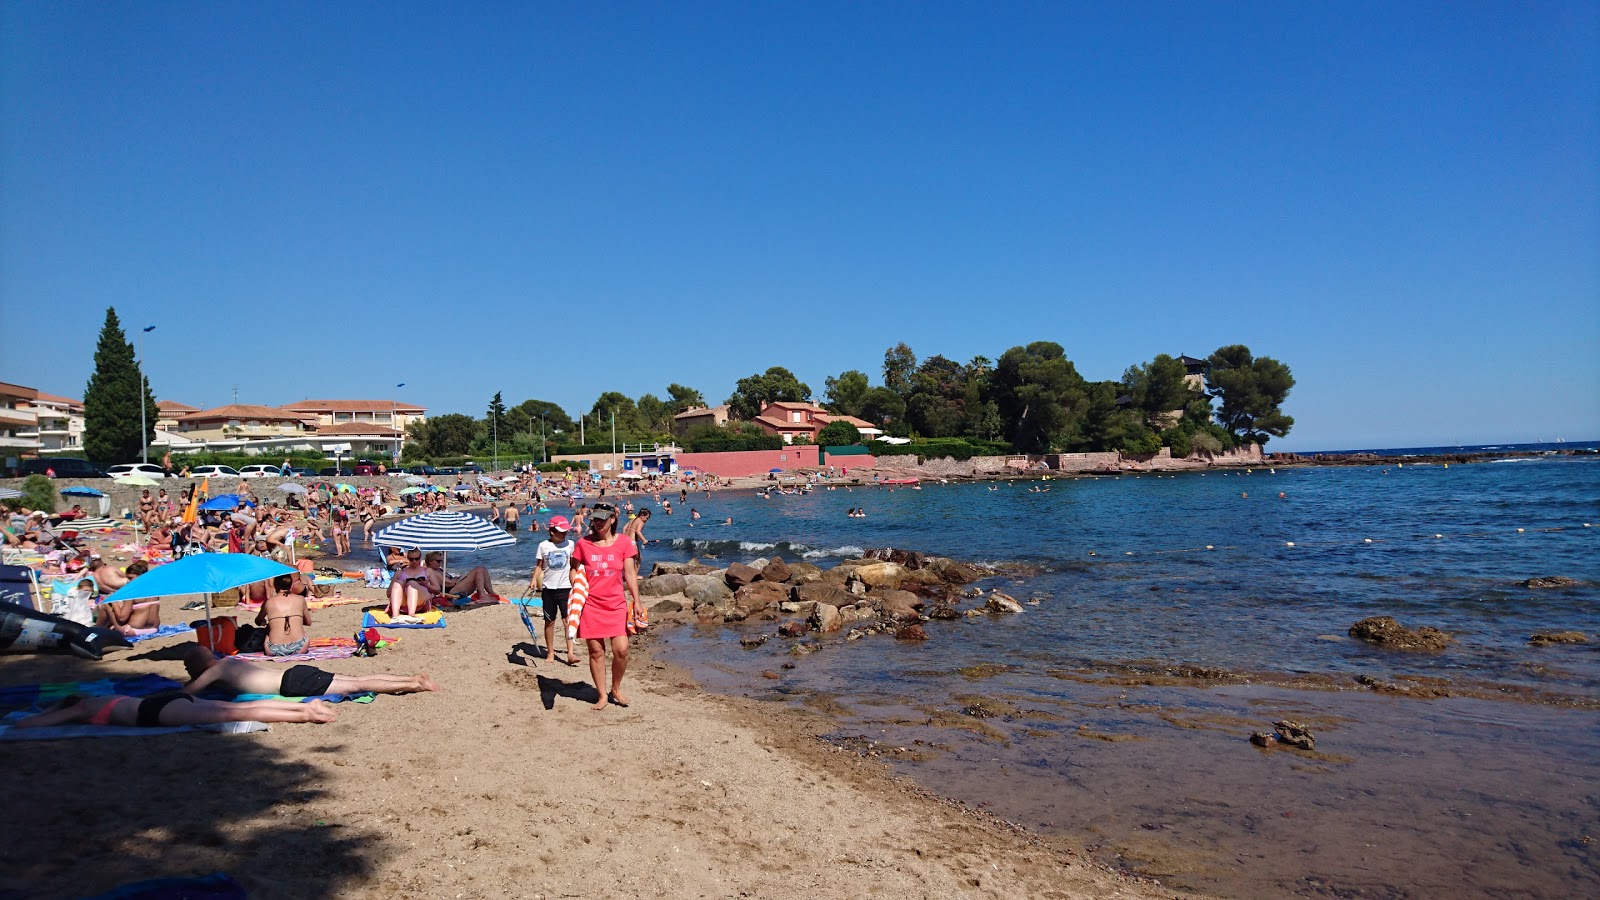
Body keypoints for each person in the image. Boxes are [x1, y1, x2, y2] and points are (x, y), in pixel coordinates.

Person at [570, 502, 639, 710]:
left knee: (621, 650)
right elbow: (573, 570)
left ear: (612, 519)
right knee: (596, 651)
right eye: (595, 519)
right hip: (591, 604)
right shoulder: (583, 544)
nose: (597, 522)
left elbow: (629, 575)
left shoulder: (625, 543)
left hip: (616, 604)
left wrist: (637, 601)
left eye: (602, 518)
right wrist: (578, 585)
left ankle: (615, 688)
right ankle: (601, 695)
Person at [181, 645, 439, 697]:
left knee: (359, 685)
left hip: (292, 684)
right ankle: (412, 679)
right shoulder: (228, 662)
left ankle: (415, 685)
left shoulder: (215, 671)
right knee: (359, 680)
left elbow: (189, 690)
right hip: (295, 673)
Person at [15, 692, 336, 728]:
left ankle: (307, 713)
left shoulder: (82, 707)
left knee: (238, 713)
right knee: (240, 706)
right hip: (161, 699)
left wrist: (29, 719)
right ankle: (305, 705)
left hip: (156, 713)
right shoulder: (95, 697)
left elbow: (29, 725)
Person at [528, 516, 579, 666]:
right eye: (560, 532)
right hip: (548, 588)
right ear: (551, 531)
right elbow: (539, 566)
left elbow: (574, 566)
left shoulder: (570, 544)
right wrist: (533, 580)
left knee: (567, 621)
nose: (564, 534)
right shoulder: (543, 546)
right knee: (549, 622)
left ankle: (570, 653)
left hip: (565, 588)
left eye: (565, 531)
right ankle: (550, 652)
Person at [257, 574, 311, 657]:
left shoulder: (268, 602)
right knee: (303, 633)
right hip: (300, 647)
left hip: (274, 649)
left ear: (275, 586)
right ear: (291, 586)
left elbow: (258, 621)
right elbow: (308, 622)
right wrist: (296, 619)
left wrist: (267, 623)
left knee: (268, 631)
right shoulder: (301, 599)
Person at [424, 551, 500, 603]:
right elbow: (448, 583)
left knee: (483, 569)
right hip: (452, 592)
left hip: (455, 587)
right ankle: (482, 595)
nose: (440, 563)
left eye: (441, 561)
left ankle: (492, 593)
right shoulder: (433, 571)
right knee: (479, 570)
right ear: (430, 561)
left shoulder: (438, 569)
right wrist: (457, 578)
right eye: (438, 561)